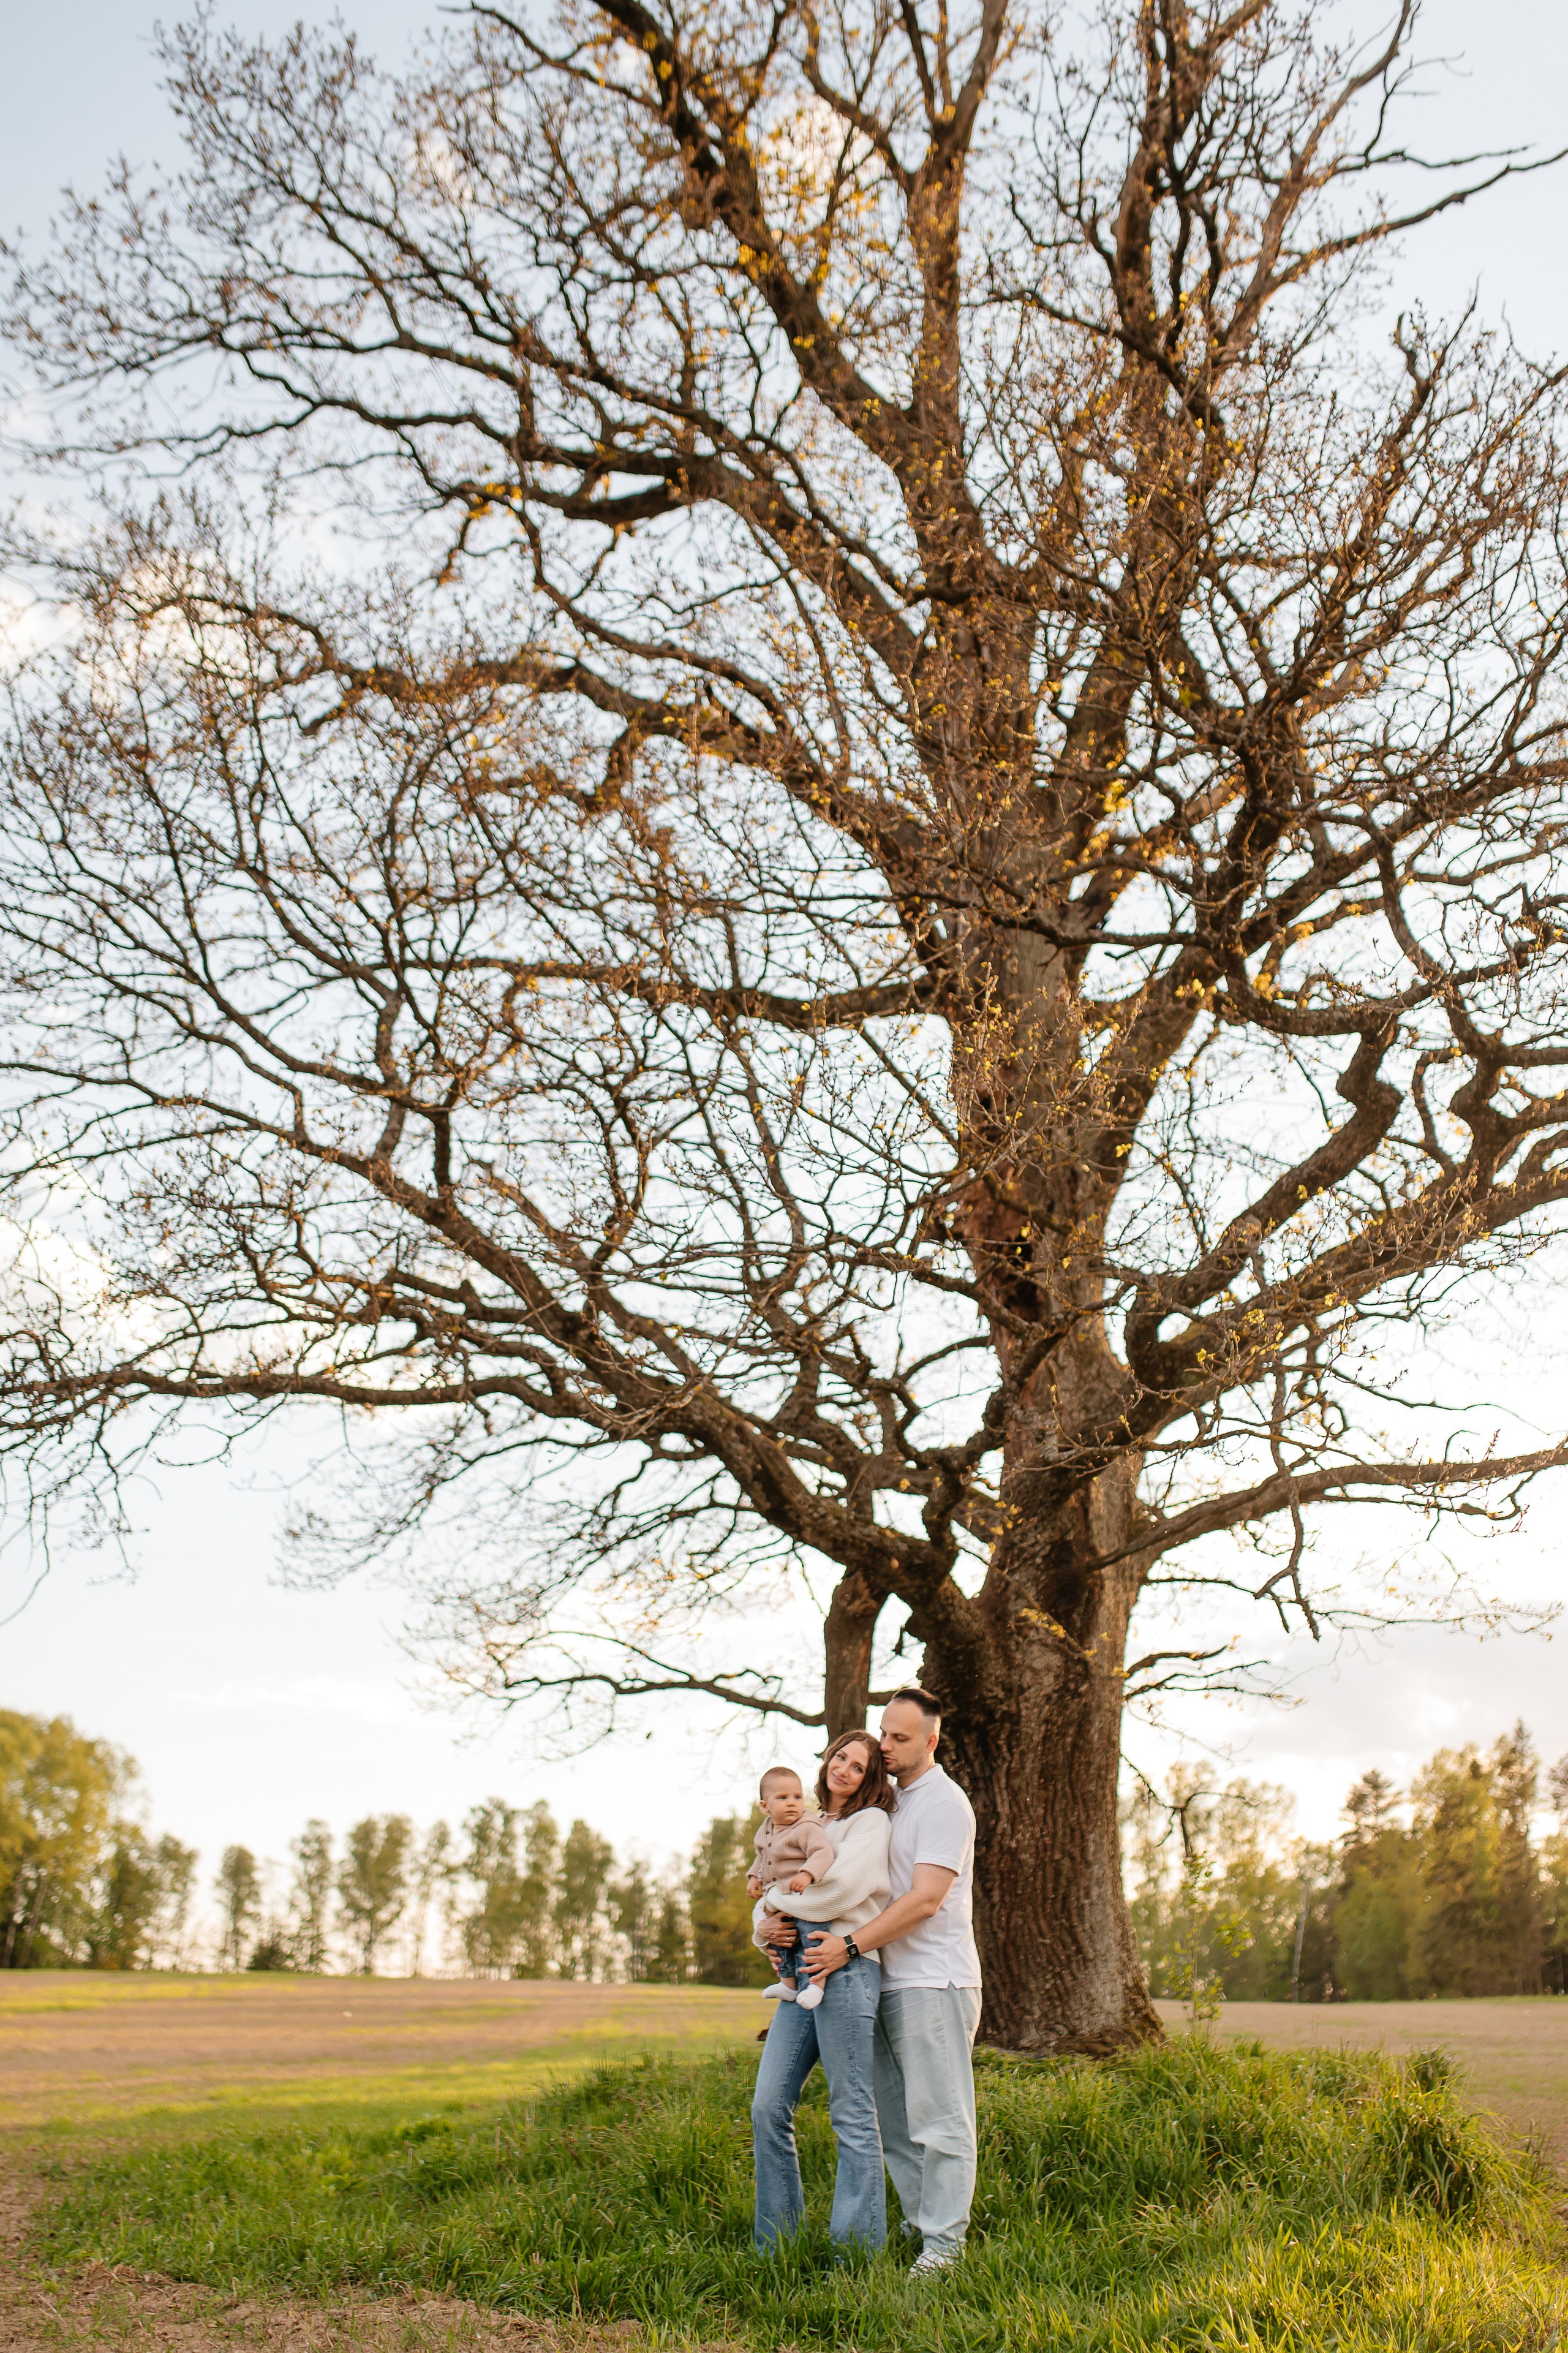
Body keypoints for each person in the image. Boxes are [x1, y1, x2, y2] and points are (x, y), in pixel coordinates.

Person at [798, 1686, 980, 2278]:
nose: (886, 1745)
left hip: (934, 1980)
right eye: (884, 1732)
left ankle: (946, 2249)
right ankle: (920, 2226)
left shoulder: (944, 1804)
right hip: (881, 1978)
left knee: (940, 2120)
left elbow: (926, 1900)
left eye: (900, 1738)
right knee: (897, 2125)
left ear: (932, 1742)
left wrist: (850, 1944)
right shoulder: (889, 1801)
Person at [749, 1729, 895, 2255]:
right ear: (828, 1757)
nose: (844, 1769)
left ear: (869, 1777)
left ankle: (857, 2253)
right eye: (841, 1757)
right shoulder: (800, 1819)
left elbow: (841, 1890)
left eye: (858, 1766)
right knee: (768, 2106)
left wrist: (772, 1903)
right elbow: (770, 1884)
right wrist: (763, 1927)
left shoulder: (870, 1822)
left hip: (848, 1971)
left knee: (850, 2109)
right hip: (801, 1974)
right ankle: (777, 2247)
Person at [746, 1766, 836, 2007]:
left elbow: (822, 1853)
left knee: (811, 1939)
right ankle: (788, 1984)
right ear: (765, 1806)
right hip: (780, 1900)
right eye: (782, 1798)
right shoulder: (766, 1830)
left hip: (805, 1899)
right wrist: (754, 1877)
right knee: (781, 1941)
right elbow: (762, 1857)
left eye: (797, 1797)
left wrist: (807, 1874)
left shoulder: (806, 1827)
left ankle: (816, 1986)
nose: (792, 1803)